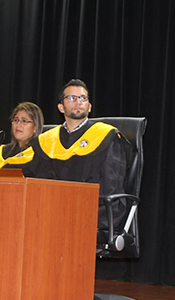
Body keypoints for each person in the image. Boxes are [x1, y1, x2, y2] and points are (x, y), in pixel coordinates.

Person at [36, 79, 131, 230]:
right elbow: (41, 183)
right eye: (72, 98)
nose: (78, 102)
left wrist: (82, 213)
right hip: (54, 213)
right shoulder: (47, 141)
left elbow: (111, 186)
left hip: (94, 213)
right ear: (61, 107)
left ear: (90, 106)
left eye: (83, 98)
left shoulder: (105, 136)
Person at [0, 102, 44, 176]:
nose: (18, 124)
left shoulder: (39, 154)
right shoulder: (3, 151)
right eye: (16, 120)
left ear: (35, 127)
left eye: (24, 121)